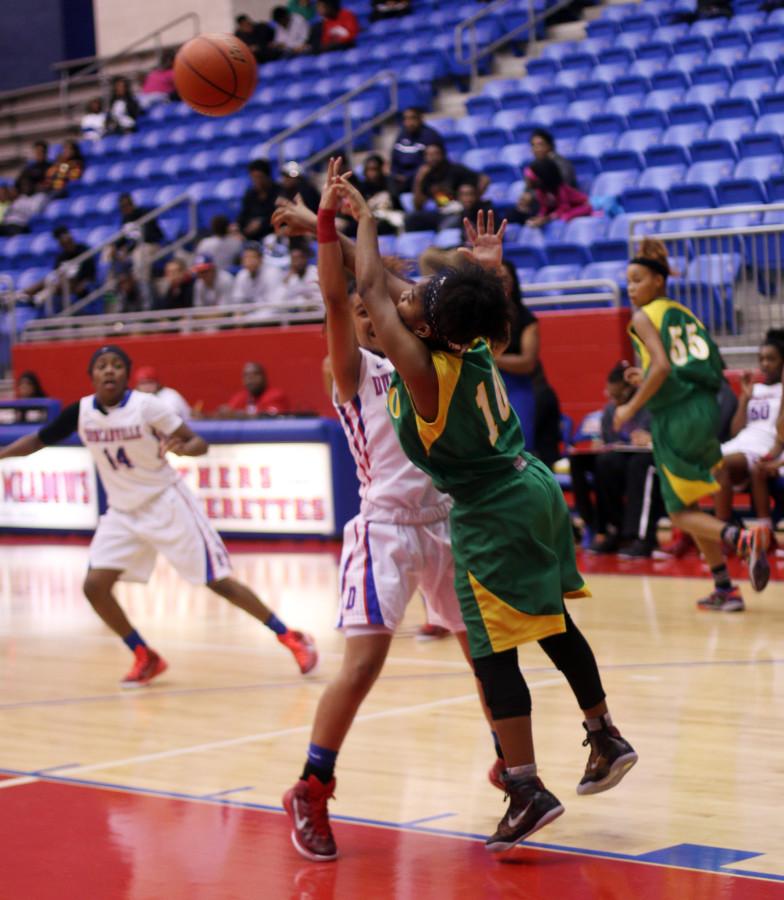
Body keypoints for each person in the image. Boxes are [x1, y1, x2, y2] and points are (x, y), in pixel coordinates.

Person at [332, 167, 637, 853]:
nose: (404, 304)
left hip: (488, 508)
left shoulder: (421, 367)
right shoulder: (476, 341)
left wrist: (363, 218)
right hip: (530, 486)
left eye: (417, 304)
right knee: (550, 620)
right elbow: (443, 301)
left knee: (492, 649)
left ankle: (525, 785)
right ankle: (603, 733)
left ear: (428, 326)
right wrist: (490, 274)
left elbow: (373, 288)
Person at [282, 159, 489, 861]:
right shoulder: (354, 371)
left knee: (484, 656)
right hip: (386, 532)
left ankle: (512, 770)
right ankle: (312, 785)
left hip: (446, 526)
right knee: (364, 667)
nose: (370, 318)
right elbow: (340, 300)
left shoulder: (424, 356)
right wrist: (325, 227)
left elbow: (439, 306)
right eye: (361, 314)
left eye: (379, 311)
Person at [0, 346, 316, 685]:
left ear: (127, 374)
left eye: (117, 365)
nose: (110, 371)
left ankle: (290, 636)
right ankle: (144, 655)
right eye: (102, 366)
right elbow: (38, 440)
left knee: (218, 581)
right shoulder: (80, 411)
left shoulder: (147, 407)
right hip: (123, 512)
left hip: (166, 502)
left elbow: (199, 443)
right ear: (92, 375)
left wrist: (183, 448)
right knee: (94, 586)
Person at [615, 238, 770, 613]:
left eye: (637, 280)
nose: (631, 288)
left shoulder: (642, 316)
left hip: (677, 418)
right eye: (628, 282)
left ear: (657, 280)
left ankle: (741, 538)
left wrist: (630, 407)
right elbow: (681, 365)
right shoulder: (684, 313)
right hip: (706, 407)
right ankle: (723, 588)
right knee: (694, 505)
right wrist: (645, 375)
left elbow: (665, 367)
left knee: (678, 512)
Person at [578, 362, 664, 558]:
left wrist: (652, 437)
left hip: (654, 458)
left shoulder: (651, 403)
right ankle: (612, 530)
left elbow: (667, 433)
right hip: (625, 458)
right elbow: (610, 442)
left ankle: (643, 538)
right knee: (603, 462)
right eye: (611, 395)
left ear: (631, 389)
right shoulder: (610, 411)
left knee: (639, 466)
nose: (614, 400)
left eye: (618, 396)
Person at [714, 331, 784, 527]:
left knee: (719, 464)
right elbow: (736, 432)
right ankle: (703, 530)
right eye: (761, 359)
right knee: (697, 462)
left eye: (771, 359)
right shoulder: (754, 389)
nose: (765, 364)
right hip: (742, 443)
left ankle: (723, 530)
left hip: (765, 446)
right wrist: (744, 398)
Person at [407, 144, 489, 232]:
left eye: (435, 154)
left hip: (459, 211)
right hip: (441, 211)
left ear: (442, 155)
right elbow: (418, 205)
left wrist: (473, 199)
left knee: (446, 227)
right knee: (411, 219)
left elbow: (484, 179)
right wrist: (419, 180)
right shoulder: (427, 176)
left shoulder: (455, 170)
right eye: (429, 155)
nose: (432, 158)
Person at [23, 226, 96, 314]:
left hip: (77, 284)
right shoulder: (61, 257)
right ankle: (21, 295)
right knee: (46, 280)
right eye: (64, 244)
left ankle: (39, 298)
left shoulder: (83, 251)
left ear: (72, 240)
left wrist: (83, 283)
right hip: (61, 284)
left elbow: (90, 274)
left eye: (69, 242)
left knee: (62, 281)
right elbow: (56, 273)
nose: (67, 245)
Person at [390, 108, 444, 195]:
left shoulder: (430, 136)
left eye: (412, 118)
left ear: (420, 119)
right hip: (401, 178)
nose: (409, 122)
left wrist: (408, 177)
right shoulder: (402, 134)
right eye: (406, 119)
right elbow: (394, 158)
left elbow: (432, 162)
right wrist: (395, 174)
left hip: (422, 178)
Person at [525, 158, 592, 228]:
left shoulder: (560, 189)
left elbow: (564, 207)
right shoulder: (540, 191)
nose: (527, 181)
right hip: (564, 210)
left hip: (582, 205)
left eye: (529, 179)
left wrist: (546, 218)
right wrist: (539, 217)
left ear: (540, 180)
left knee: (564, 217)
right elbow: (544, 207)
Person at [220, 361, 290, 417]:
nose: (251, 379)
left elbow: (267, 418)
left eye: (255, 374)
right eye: (246, 376)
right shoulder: (240, 397)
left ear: (264, 378)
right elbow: (228, 411)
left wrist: (238, 415)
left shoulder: (276, 395)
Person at [238, 159, 280, 240]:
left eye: (259, 177)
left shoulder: (279, 192)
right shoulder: (250, 194)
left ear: (267, 176)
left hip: (273, 233)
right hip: (251, 236)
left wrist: (261, 223)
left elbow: (280, 215)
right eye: (253, 177)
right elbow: (243, 215)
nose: (256, 181)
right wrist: (238, 226)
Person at [277, 239, 322, 310]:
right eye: (294, 259)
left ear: (305, 259)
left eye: (299, 258)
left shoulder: (315, 272)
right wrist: (287, 280)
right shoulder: (291, 277)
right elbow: (281, 299)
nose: (297, 262)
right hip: (298, 316)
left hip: (318, 312)